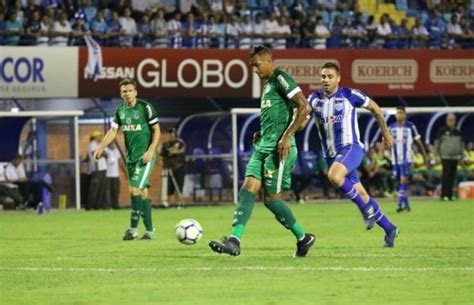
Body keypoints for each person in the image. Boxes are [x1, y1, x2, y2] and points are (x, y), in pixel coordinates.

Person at [209, 45, 315, 257]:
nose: (254, 70)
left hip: (280, 150)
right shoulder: (267, 85)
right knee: (247, 189)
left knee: (272, 200)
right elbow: (278, 115)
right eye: (252, 66)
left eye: (257, 65)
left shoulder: (280, 78)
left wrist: (286, 137)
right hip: (263, 146)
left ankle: (304, 238)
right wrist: (263, 132)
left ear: (268, 61)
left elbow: (304, 106)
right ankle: (234, 240)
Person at [308, 62, 399, 248]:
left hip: (351, 148)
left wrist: (386, 132)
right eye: (323, 76)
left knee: (334, 175)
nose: (325, 80)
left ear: (338, 79)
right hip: (332, 155)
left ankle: (366, 211)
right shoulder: (314, 99)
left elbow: (375, 108)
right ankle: (390, 228)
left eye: (330, 76)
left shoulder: (350, 95)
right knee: (361, 192)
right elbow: (303, 116)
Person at [93, 78, 161, 240]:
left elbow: (157, 130)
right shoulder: (120, 110)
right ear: (121, 94)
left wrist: (151, 151)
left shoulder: (145, 108)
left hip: (145, 157)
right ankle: (150, 231)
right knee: (143, 193)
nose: (128, 93)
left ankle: (132, 229)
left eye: (130, 90)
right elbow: (112, 131)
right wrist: (101, 146)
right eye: (124, 91)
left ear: (135, 92)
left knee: (133, 191)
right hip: (131, 159)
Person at [388, 105, 427, 212]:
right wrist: (382, 152)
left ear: (405, 115)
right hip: (395, 160)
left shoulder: (410, 126)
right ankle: (407, 205)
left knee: (403, 180)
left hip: (407, 158)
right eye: (397, 113)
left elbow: (418, 141)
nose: (398, 115)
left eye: (401, 113)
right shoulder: (391, 127)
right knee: (400, 182)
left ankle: (399, 204)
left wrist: (424, 154)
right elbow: (385, 140)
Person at [434, 113, 464, 201]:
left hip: (455, 157)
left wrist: (461, 157)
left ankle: (451, 195)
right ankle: (444, 195)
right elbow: (437, 144)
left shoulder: (458, 132)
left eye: (452, 120)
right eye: (449, 120)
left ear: (455, 121)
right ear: (446, 121)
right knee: (446, 176)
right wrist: (436, 156)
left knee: (453, 176)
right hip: (445, 156)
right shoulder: (442, 131)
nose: (450, 122)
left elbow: (461, 145)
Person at [159, 128, 186, 207]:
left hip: (179, 167)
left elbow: (181, 151)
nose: (171, 134)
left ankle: (179, 202)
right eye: (170, 132)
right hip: (168, 168)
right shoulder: (165, 144)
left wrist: (173, 151)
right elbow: (160, 152)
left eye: (173, 132)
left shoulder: (180, 142)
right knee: (168, 187)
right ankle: (167, 203)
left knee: (179, 185)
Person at [87, 130, 108, 210]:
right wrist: (103, 153)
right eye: (99, 136)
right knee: (95, 189)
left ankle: (97, 206)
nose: (101, 137)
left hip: (102, 169)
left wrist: (102, 153)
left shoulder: (98, 145)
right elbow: (96, 155)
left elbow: (104, 154)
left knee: (101, 189)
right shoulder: (92, 145)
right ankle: (90, 206)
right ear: (95, 137)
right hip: (97, 169)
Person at [105, 141, 121, 210]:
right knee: (108, 191)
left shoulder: (116, 151)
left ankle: (116, 205)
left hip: (115, 174)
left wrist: (125, 172)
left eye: (113, 143)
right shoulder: (105, 150)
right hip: (107, 175)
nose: (113, 145)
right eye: (111, 143)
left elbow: (120, 162)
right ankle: (108, 206)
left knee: (116, 191)